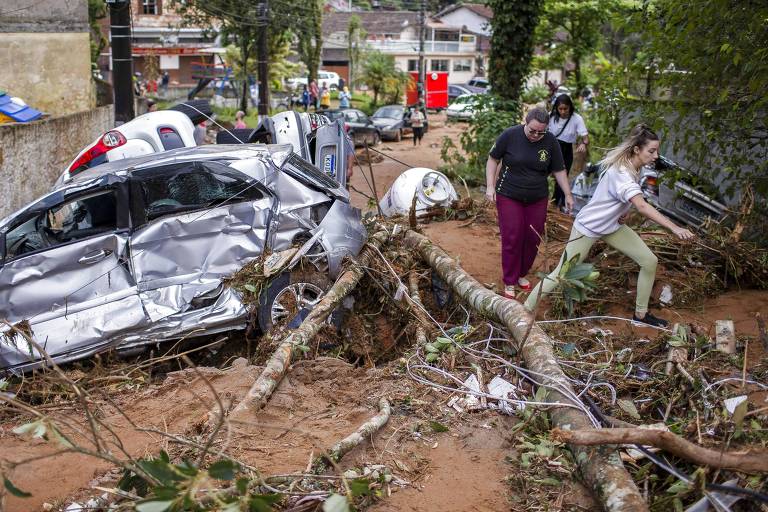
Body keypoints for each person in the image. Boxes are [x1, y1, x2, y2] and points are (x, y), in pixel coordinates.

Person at [524, 124, 695, 327]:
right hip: (588, 227)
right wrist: (675, 228)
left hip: (612, 226)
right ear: (636, 150)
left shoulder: (635, 168)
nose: (656, 155)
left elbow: (623, 199)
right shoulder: (622, 173)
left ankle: (640, 316)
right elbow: (641, 205)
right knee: (561, 273)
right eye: (651, 151)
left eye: (657, 150)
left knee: (649, 261)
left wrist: (623, 213)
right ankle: (523, 310)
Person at [485, 106, 572, 299]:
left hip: (537, 197)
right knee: (513, 236)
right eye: (532, 130)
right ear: (526, 122)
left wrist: (568, 194)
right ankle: (509, 279)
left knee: (533, 238)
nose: (535, 135)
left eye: (541, 132)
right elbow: (492, 160)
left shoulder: (550, 142)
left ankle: (521, 274)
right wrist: (490, 186)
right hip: (508, 193)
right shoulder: (510, 135)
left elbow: (559, 169)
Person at [548, 94, 589, 209]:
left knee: (562, 178)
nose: (562, 111)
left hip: (566, 150)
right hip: (551, 147)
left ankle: (557, 204)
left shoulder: (577, 119)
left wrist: (583, 144)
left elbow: (585, 137)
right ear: (556, 107)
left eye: (565, 108)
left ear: (570, 107)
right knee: (542, 173)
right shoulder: (550, 116)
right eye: (560, 109)